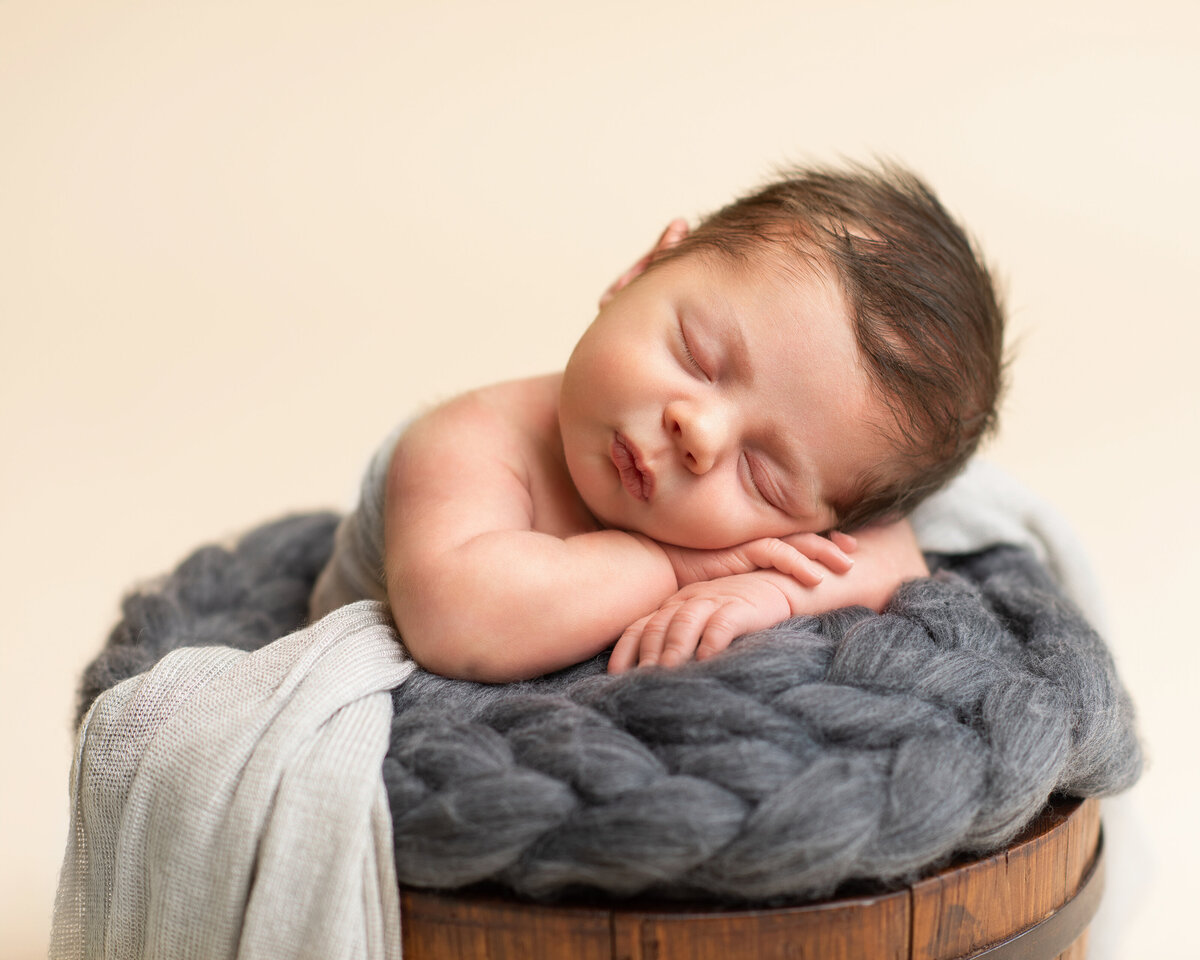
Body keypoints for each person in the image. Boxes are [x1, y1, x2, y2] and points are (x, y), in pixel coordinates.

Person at [309, 162, 1005, 682]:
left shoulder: (804, 516)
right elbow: (458, 621)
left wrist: (769, 589)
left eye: (761, 476)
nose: (699, 433)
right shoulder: (474, 441)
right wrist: (671, 565)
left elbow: (892, 558)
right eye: (698, 358)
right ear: (643, 267)